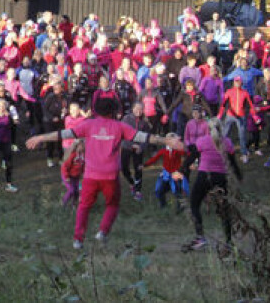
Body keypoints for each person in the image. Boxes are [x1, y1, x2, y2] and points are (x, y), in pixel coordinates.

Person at [26, 97, 185, 249]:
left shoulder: (88, 125)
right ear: (113, 111)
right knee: (113, 205)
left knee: (83, 206)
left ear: (96, 111)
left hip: (90, 175)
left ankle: (78, 239)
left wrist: (41, 137)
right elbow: (144, 137)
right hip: (110, 176)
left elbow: (63, 134)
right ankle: (103, 231)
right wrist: (166, 141)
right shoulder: (119, 126)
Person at [183, 117, 242, 250]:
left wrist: (182, 169)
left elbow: (191, 158)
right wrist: (239, 177)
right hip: (221, 178)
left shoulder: (202, 141)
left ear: (207, 129)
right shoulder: (227, 142)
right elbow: (233, 163)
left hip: (204, 176)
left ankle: (200, 237)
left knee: (194, 204)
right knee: (224, 210)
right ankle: (228, 241)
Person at [144, 134, 189, 212]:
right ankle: (163, 205)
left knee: (177, 191)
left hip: (176, 174)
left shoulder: (177, 150)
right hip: (166, 174)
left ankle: (181, 206)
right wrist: (144, 165)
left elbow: (187, 153)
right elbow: (154, 159)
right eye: (168, 140)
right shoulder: (163, 151)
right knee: (160, 191)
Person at [61, 139, 85, 207]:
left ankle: (73, 204)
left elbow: (83, 166)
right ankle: (64, 202)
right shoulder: (72, 155)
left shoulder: (83, 155)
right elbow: (64, 167)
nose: (83, 146)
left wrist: (83, 174)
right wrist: (66, 177)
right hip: (68, 176)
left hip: (76, 177)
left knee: (77, 191)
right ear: (76, 146)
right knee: (71, 190)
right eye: (81, 145)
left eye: (83, 145)